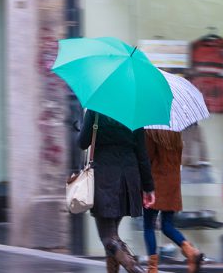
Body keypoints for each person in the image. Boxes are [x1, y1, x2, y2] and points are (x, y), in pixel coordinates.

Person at [77, 110, 155, 273]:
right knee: (112, 239)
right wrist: (148, 187)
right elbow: (142, 155)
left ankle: (134, 268)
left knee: (108, 238)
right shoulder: (135, 114)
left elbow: (82, 143)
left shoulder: (95, 110)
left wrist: (82, 128)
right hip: (128, 179)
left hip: (104, 178)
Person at [143, 129, 204, 273]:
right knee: (167, 226)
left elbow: (147, 158)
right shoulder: (176, 132)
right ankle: (190, 251)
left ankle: (152, 268)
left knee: (148, 226)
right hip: (173, 182)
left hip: (156, 182)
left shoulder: (151, 131)